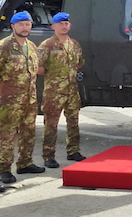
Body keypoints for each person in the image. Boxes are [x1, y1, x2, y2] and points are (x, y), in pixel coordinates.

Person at [0, 11, 45, 184]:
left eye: (27, 24)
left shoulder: (32, 46)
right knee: (7, 134)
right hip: (8, 100)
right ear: (13, 26)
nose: (25, 28)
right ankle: (4, 169)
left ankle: (25, 163)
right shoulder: (4, 46)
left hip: (29, 98)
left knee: (28, 131)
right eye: (21, 24)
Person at [37, 12, 86, 168]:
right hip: (54, 92)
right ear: (54, 26)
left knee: (73, 122)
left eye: (66, 23)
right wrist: (55, 76)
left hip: (72, 91)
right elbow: (38, 67)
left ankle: (73, 151)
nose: (64, 26)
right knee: (51, 124)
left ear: (69, 25)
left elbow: (79, 63)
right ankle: (48, 155)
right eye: (61, 24)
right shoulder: (47, 45)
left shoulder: (74, 44)